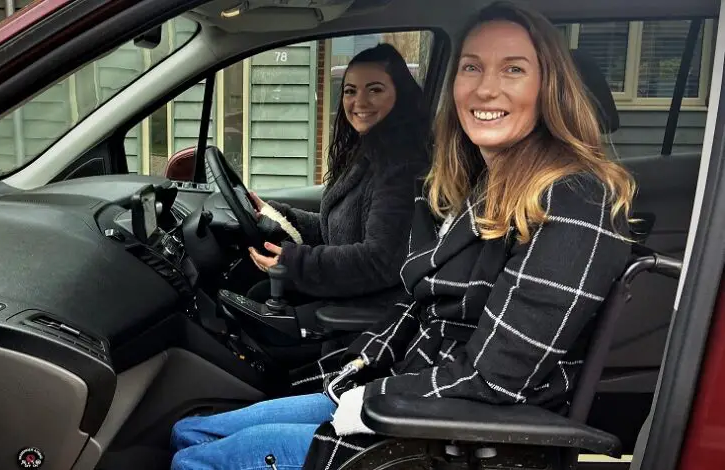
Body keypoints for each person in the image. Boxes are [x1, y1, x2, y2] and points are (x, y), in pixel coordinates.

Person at [170, 2, 636, 469]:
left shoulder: (576, 200)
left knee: (198, 462)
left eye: (513, 69)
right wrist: (356, 371)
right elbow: (421, 308)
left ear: (549, 85)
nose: (486, 88)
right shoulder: (482, 184)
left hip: (451, 436)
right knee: (190, 431)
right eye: (471, 67)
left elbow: (495, 381)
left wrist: (369, 400)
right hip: (410, 393)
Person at [244, 43, 431, 318]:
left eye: (375, 90)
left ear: (400, 94)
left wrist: (295, 263)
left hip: (367, 312)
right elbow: (337, 230)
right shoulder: (368, 150)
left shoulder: (401, 165)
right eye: (350, 91)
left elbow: (381, 260)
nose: (359, 102)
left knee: (256, 305)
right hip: (347, 291)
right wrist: (278, 216)